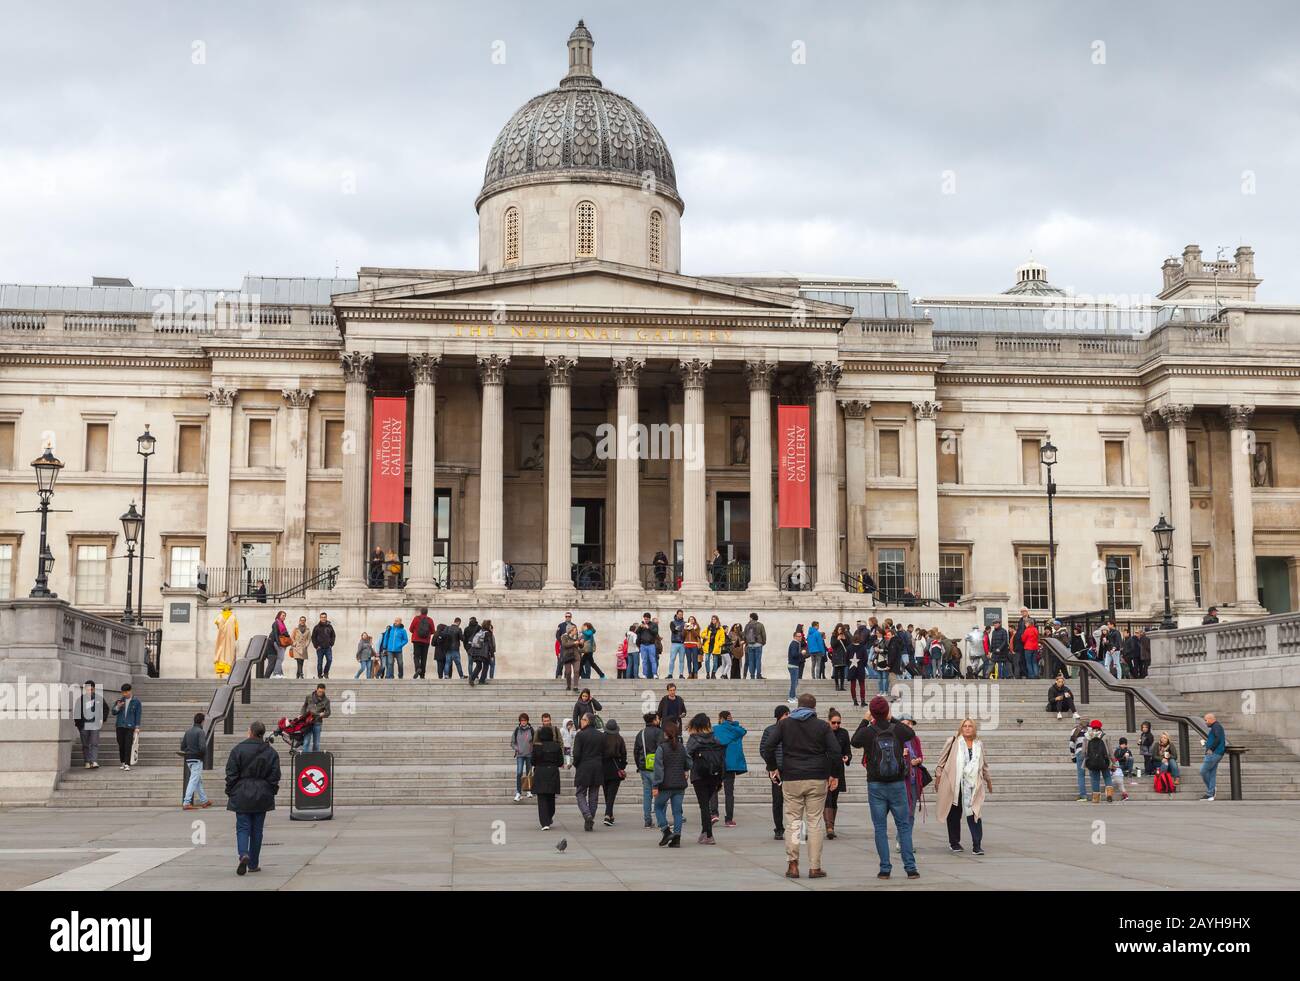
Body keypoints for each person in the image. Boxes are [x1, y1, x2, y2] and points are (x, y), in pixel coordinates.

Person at [762, 693, 840, 879]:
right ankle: (815, 867)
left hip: (791, 777)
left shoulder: (785, 724)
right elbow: (835, 751)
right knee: (814, 822)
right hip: (816, 778)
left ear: (798, 706)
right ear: (814, 708)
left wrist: (773, 767)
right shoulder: (822, 726)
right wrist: (833, 774)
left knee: (794, 822)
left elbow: (768, 747)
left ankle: (793, 865)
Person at [851, 696, 920, 879]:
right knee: (904, 826)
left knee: (880, 828)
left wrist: (866, 719)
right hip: (897, 783)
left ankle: (885, 868)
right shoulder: (897, 729)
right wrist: (892, 718)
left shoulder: (868, 731)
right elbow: (910, 733)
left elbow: (854, 741)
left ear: (872, 712)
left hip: (876, 784)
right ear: (887, 711)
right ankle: (910, 867)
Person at [224, 720, 281, 876]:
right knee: (257, 830)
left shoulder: (238, 749)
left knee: (242, 827)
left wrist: (230, 791)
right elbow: (275, 775)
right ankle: (254, 863)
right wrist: (271, 791)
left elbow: (231, 774)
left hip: (241, 792)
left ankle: (243, 854)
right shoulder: (271, 752)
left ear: (250, 732)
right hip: (262, 793)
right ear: (262, 733)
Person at [936, 717, 992, 855]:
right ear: (961, 728)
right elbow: (941, 762)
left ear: (974, 728)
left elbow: (984, 764)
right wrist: (938, 778)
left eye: (970, 726)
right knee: (954, 814)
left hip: (973, 784)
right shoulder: (953, 741)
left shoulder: (979, 744)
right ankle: (954, 843)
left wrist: (988, 780)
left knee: (975, 813)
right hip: (955, 783)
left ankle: (977, 845)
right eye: (965, 726)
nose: (967, 728)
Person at [685, 713, 725, 844]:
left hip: (699, 775)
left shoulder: (694, 739)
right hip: (714, 775)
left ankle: (709, 835)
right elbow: (721, 757)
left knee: (704, 806)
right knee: (706, 804)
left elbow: (687, 757)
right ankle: (704, 832)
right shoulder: (715, 738)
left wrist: (686, 770)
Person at [652, 720, 689, 847]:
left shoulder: (661, 748)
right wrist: (684, 769)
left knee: (657, 807)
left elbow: (658, 769)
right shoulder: (681, 747)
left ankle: (666, 830)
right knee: (677, 812)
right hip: (680, 784)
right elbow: (689, 763)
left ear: (665, 734)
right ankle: (677, 838)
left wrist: (655, 785)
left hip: (665, 785)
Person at [759, 704, 789, 840]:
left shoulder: (793, 730)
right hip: (776, 770)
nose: (788, 717)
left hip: (791, 769)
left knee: (796, 801)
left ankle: (795, 829)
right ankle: (779, 828)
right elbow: (763, 750)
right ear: (781, 715)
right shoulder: (770, 730)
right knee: (777, 800)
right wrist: (772, 766)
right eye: (786, 715)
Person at [712, 710, 747, 828]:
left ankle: (714, 813)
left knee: (714, 789)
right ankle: (729, 819)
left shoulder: (716, 729)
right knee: (729, 793)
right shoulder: (736, 730)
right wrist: (733, 724)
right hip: (730, 766)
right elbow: (743, 731)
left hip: (717, 764)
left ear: (721, 718)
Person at [572, 712, 605, 832]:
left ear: (589, 721)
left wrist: (576, 764)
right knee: (594, 795)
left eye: (584, 720)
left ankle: (587, 815)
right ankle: (590, 818)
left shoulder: (580, 735)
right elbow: (604, 753)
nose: (581, 721)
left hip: (584, 766)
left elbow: (576, 754)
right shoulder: (601, 735)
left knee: (580, 793)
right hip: (597, 767)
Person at [824, 708, 851, 839]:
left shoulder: (843, 733)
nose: (836, 725)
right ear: (828, 721)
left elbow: (848, 751)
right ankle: (829, 827)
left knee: (834, 798)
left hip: (838, 768)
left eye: (838, 723)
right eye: (834, 722)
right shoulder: (823, 732)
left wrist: (847, 757)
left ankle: (832, 826)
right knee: (827, 797)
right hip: (825, 769)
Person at [633, 712, 663, 829]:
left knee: (647, 794)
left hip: (644, 767)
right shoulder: (659, 732)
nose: (659, 720)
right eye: (658, 718)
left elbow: (636, 751)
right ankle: (661, 820)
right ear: (654, 720)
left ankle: (647, 821)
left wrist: (639, 765)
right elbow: (662, 749)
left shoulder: (641, 733)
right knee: (659, 794)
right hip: (656, 767)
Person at [531, 726, 563, 830]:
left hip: (540, 772)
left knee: (542, 798)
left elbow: (532, 762)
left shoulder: (536, 747)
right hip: (552, 772)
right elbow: (560, 762)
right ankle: (549, 816)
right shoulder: (556, 746)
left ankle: (544, 822)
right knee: (551, 797)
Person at [899, 713, 926, 826]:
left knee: (911, 811)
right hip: (902, 780)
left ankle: (906, 838)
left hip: (914, 780)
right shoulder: (897, 739)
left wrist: (918, 760)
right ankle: (901, 838)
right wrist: (901, 754)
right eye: (906, 723)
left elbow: (920, 756)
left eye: (910, 724)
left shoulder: (915, 739)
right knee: (902, 811)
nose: (909, 726)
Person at [180, 712, 211, 810]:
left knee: (198, 780)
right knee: (194, 780)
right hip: (197, 759)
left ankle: (204, 801)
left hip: (189, 759)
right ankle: (186, 802)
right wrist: (202, 754)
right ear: (202, 721)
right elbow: (203, 747)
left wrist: (189, 751)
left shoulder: (188, 731)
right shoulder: (200, 732)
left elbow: (182, 746)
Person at [601, 719, 627, 826]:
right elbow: (624, 755)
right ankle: (608, 815)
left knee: (607, 793)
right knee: (612, 794)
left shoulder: (601, 739)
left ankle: (609, 815)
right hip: (615, 769)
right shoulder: (619, 739)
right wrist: (622, 767)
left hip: (603, 768)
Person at [74, 680, 105, 769]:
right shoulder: (80, 699)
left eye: (91, 689)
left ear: (94, 689)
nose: (89, 691)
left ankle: (94, 761)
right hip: (84, 725)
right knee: (85, 744)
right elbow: (76, 713)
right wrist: (79, 725)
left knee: (94, 743)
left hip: (94, 724)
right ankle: (87, 761)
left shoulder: (98, 698)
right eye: (87, 690)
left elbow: (105, 708)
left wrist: (102, 720)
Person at [111, 683, 142, 770]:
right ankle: (123, 762)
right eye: (123, 692)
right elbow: (113, 712)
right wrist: (118, 706)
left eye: (126, 692)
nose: (124, 694)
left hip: (130, 726)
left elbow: (138, 715)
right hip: (120, 726)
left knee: (128, 744)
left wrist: (137, 727)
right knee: (121, 744)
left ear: (130, 691)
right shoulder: (119, 701)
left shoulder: (136, 701)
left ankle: (127, 764)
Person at [1083, 719, 1112, 801]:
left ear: (1091, 727)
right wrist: (1113, 761)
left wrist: (1086, 758)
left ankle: (1096, 798)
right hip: (1104, 760)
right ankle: (1109, 794)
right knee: (1107, 776)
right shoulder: (1105, 736)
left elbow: (1083, 751)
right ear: (1100, 727)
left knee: (1095, 779)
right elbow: (1110, 750)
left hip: (1092, 761)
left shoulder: (1087, 736)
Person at [1200, 712, 1226, 801]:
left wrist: (1211, 748)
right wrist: (1207, 744)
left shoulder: (1216, 726)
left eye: (1206, 720)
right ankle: (1210, 793)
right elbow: (1216, 738)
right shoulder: (1216, 727)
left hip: (1214, 753)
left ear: (1211, 719)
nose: (1205, 722)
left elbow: (1218, 738)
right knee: (1212, 773)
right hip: (1216, 752)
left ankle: (1211, 790)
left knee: (1203, 771)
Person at [511, 713, 535, 803]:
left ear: (527, 721)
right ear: (520, 721)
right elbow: (512, 742)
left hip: (529, 754)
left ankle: (529, 790)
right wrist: (517, 748)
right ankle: (518, 792)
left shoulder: (531, 730)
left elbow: (535, 740)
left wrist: (532, 748)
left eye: (525, 720)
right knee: (519, 772)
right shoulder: (517, 730)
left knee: (529, 772)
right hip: (520, 755)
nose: (523, 722)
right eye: (522, 720)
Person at [301, 683, 330, 752]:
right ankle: (305, 759)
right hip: (308, 722)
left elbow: (328, 712)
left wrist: (323, 714)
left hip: (318, 723)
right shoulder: (309, 696)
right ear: (316, 689)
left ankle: (315, 760)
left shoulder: (326, 700)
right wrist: (302, 714)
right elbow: (304, 706)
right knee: (306, 742)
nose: (321, 693)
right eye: (319, 691)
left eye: (322, 692)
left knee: (316, 743)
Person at [409, 607, 435, 679]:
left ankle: (418, 668)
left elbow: (410, 629)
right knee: (424, 657)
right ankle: (422, 675)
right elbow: (433, 631)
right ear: (427, 612)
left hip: (416, 640)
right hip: (426, 641)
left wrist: (416, 632)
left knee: (416, 656)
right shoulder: (430, 620)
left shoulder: (416, 619)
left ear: (420, 612)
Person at [467, 619, 496, 685]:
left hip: (476, 652)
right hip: (484, 653)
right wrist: (492, 655)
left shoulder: (479, 632)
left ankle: (472, 678)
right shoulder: (488, 633)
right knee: (486, 666)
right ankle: (481, 681)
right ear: (488, 626)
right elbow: (490, 645)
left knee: (479, 666)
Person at [214, 606, 240, 678]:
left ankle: (220, 671)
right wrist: (235, 637)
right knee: (229, 654)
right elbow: (236, 630)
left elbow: (217, 625)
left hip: (221, 638)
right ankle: (228, 671)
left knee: (220, 653)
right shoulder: (233, 617)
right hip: (230, 638)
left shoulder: (219, 616)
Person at [847, 622, 869, 707]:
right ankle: (863, 701)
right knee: (862, 685)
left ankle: (855, 701)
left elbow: (846, 658)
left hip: (852, 667)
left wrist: (849, 665)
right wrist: (862, 665)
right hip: (860, 668)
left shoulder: (849, 647)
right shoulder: (863, 648)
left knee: (853, 685)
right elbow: (865, 658)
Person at [311, 612, 336, 679]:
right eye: (322, 617)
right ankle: (319, 675)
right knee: (320, 662)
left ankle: (325, 673)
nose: (323, 618)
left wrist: (331, 644)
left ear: (326, 618)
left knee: (329, 660)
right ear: (320, 618)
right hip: (320, 648)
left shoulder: (330, 626)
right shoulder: (316, 627)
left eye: (324, 617)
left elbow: (333, 636)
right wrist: (316, 646)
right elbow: (313, 637)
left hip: (328, 647)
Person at [266, 610, 291, 677]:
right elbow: (276, 634)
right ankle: (276, 673)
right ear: (279, 615)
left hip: (280, 643)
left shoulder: (282, 623)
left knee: (280, 658)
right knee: (280, 658)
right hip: (277, 642)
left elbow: (284, 633)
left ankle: (280, 673)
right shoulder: (276, 623)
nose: (284, 617)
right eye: (283, 615)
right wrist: (279, 644)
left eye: (285, 616)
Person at [636, 613, 659, 679]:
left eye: (647, 619)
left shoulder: (654, 624)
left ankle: (654, 674)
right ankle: (644, 674)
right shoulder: (642, 625)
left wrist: (648, 628)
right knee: (644, 661)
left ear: (649, 618)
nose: (646, 620)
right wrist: (640, 627)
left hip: (651, 645)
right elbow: (637, 632)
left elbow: (655, 633)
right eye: (645, 619)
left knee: (653, 660)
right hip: (643, 645)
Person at [744, 612, 767, 680]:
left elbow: (744, 635)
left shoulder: (747, 625)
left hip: (750, 645)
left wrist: (747, 643)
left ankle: (752, 675)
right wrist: (763, 643)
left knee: (751, 661)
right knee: (758, 660)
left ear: (751, 617)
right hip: (758, 644)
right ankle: (758, 675)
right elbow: (764, 635)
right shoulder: (760, 625)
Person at [701, 615, 725, 679]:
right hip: (708, 646)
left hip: (716, 647)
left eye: (714, 619)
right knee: (706, 660)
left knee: (715, 662)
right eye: (712, 619)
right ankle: (708, 673)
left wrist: (719, 644)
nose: (713, 620)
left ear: (717, 620)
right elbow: (702, 634)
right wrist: (705, 636)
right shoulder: (709, 627)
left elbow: (722, 638)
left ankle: (713, 673)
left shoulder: (720, 628)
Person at [786, 626, 806, 702]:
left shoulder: (796, 643)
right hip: (793, 666)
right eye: (798, 636)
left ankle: (793, 696)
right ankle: (791, 698)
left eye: (801, 636)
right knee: (794, 683)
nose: (800, 637)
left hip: (794, 665)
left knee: (795, 682)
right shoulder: (794, 643)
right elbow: (794, 654)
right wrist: (801, 653)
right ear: (794, 637)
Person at [560, 622, 582, 691]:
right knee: (568, 672)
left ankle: (575, 686)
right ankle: (568, 685)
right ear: (571, 630)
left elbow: (581, 646)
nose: (576, 631)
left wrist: (581, 643)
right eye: (575, 630)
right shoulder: (564, 636)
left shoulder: (578, 637)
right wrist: (574, 643)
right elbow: (564, 645)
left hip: (576, 656)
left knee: (576, 670)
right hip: (567, 656)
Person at [829, 623, 850, 692]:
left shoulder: (845, 636)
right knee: (836, 671)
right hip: (836, 656)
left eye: (841, 629)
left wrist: (845, 639)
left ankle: (842, 686)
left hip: (843, 656)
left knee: (842, 672)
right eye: (839, 629)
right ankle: (837, 685)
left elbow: (849, 645)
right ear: (836, 629)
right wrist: (838, 639)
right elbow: (833, 645)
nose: (840, 630)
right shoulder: (834, 636)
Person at [668, 610, 686, 679]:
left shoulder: (685, 623)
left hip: (682, 643)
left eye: (681, 614)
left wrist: (679, 629)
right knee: (672, 659)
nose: (680, 615)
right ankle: (670, 674)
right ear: (677, 614)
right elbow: (673, 630)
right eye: (679, 614)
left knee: (681, 660)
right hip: (674, 643)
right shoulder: (672, 622)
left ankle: (681, 674)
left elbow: (685, 632)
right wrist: (680, 629)